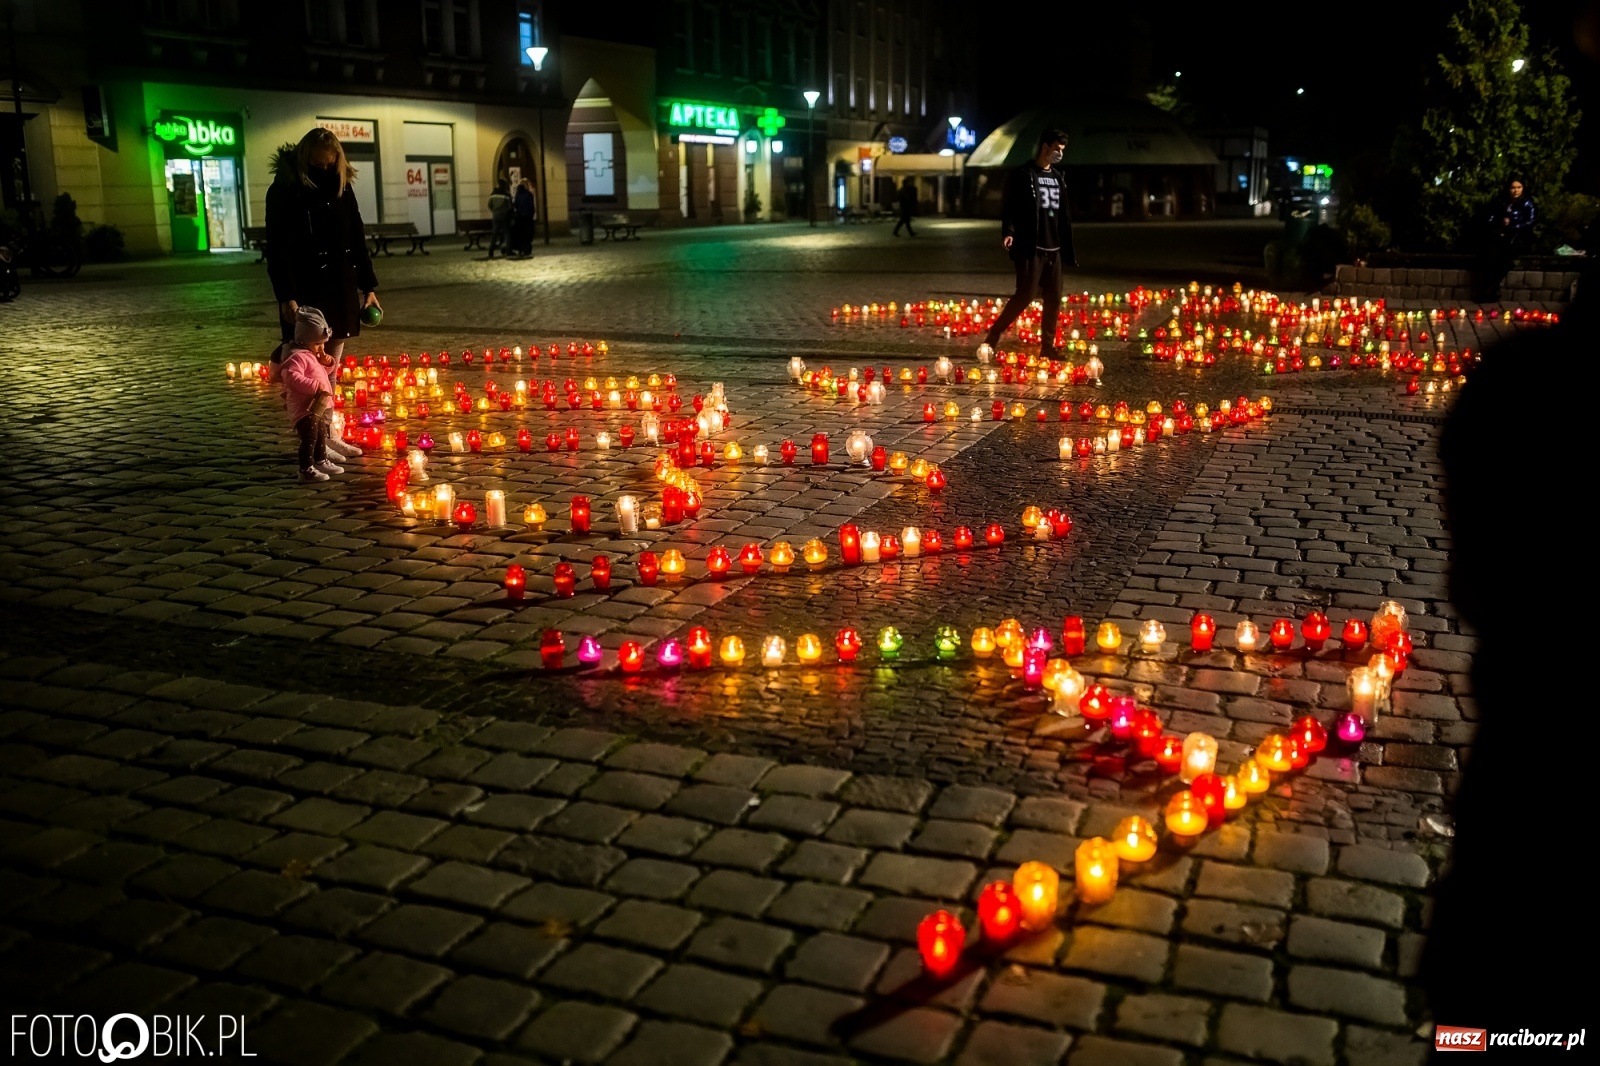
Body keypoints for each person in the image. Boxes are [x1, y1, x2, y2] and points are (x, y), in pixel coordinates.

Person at [266, 127, 379, 461]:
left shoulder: (342, 186)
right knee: (307, 373)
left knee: (330, 372)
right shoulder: (286, 189)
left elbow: (356, 236)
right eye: (319, 165)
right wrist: (287, 295)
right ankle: (314, 442)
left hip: (339, 288)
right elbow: (279, 247)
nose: (325, 170)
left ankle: (329, 435)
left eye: (330, 165)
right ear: (306, 159)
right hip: (305, 291)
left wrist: (368, 287)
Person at [977, 128, 1077, 364]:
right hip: (1032, 248)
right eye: (1057, 149)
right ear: (1045, 147)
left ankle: (1048, 347)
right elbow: (1011, 206)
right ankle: (995, 333)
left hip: (1055, 249)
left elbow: (1063, 212)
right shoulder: (1024, 174)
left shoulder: (1058, 177)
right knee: (1025, 295)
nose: (1059, 154)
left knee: (1054, 298)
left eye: (1062, 150)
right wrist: (1009, 231)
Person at [279, 307, 341, 482]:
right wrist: (314, 386)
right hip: (303, 407)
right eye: (317, 344)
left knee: (321, 433)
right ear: (303, 340)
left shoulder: (311, 354)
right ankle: (305, 469)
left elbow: (318, 373)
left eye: (323, 344)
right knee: (310, 438)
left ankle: (321, 460)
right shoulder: (297, 357)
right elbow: (291, 377)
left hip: (315, 406)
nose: (321, 348)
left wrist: (327, 364)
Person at [1476, 178, 1536, 301]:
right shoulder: (1503, 202)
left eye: (1519, 187)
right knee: (1490, 257)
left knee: (1505, 260)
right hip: (1502, 236)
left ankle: (1489, 291)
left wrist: (1513, 225)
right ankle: (1491, 291)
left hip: (1518, 238)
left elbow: (1530, 222)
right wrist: (1500, 221)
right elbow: (1491, 217)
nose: (1516, 191)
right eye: (1513, 188)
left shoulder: (1527, 203)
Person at [487, 179, 513, 258]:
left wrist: (494, 211)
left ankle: (491, 251)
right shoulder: (506, 195)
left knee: (494, 234)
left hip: (495, 216)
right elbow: (510, 206)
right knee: (507, 233)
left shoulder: (493, 194)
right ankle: (508, 251)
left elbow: (489, 205)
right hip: (504, 216)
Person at [511, 177, 537, 258]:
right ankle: (526, 249)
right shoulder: (529, 194)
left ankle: (520, 249)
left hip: (519, 217)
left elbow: (515, 205)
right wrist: (531, 214)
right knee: (527, 234)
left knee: (520, 234)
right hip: (527, 217)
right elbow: (531, 206)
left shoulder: (517, 194)